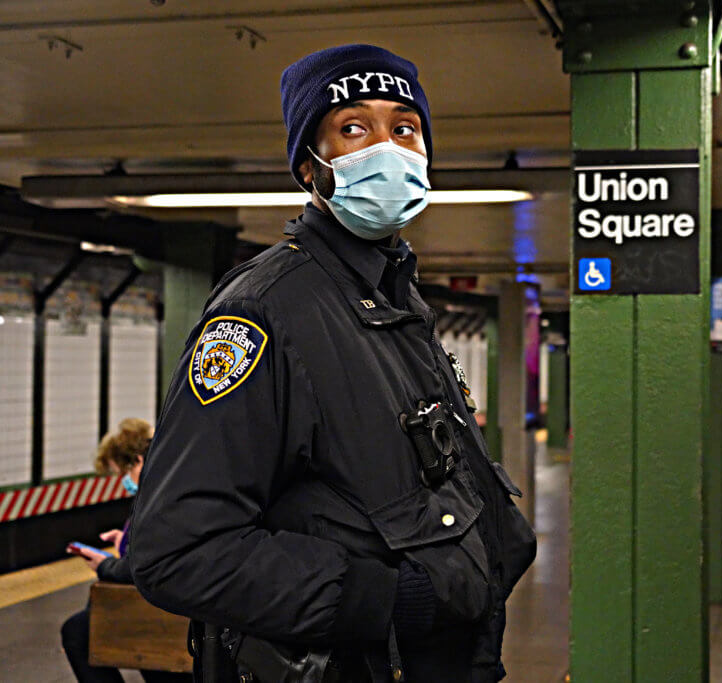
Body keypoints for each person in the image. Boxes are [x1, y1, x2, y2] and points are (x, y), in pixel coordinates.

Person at [129, 44, 536, 682]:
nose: (389, 148)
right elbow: (177, 550)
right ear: (308, 168)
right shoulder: (266, 311)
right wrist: (385, 602)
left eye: (405, 129)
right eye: (353, 129)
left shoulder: (392, 299)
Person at [61, 418, 191, 683]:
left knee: (77, 632)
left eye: (123, 472)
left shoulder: (157, 499)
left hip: (168, 612)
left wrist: (105, 564)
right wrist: (124, 540)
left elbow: (144, 562)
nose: (124, 482)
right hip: (172, 607)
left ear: (139, 462)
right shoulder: (171, 486)